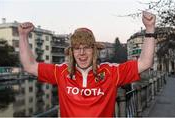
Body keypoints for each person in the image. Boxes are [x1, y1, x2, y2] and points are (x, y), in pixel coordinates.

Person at [18, 11, 156, 117]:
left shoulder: (111, 72)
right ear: (72, 52)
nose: (82, 53)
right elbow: (30, 66)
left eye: (87, 47)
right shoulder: (61, 72)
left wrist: (150, 28)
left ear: (94, 50)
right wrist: (23, 36)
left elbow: (145, 62)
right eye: (77, 48)